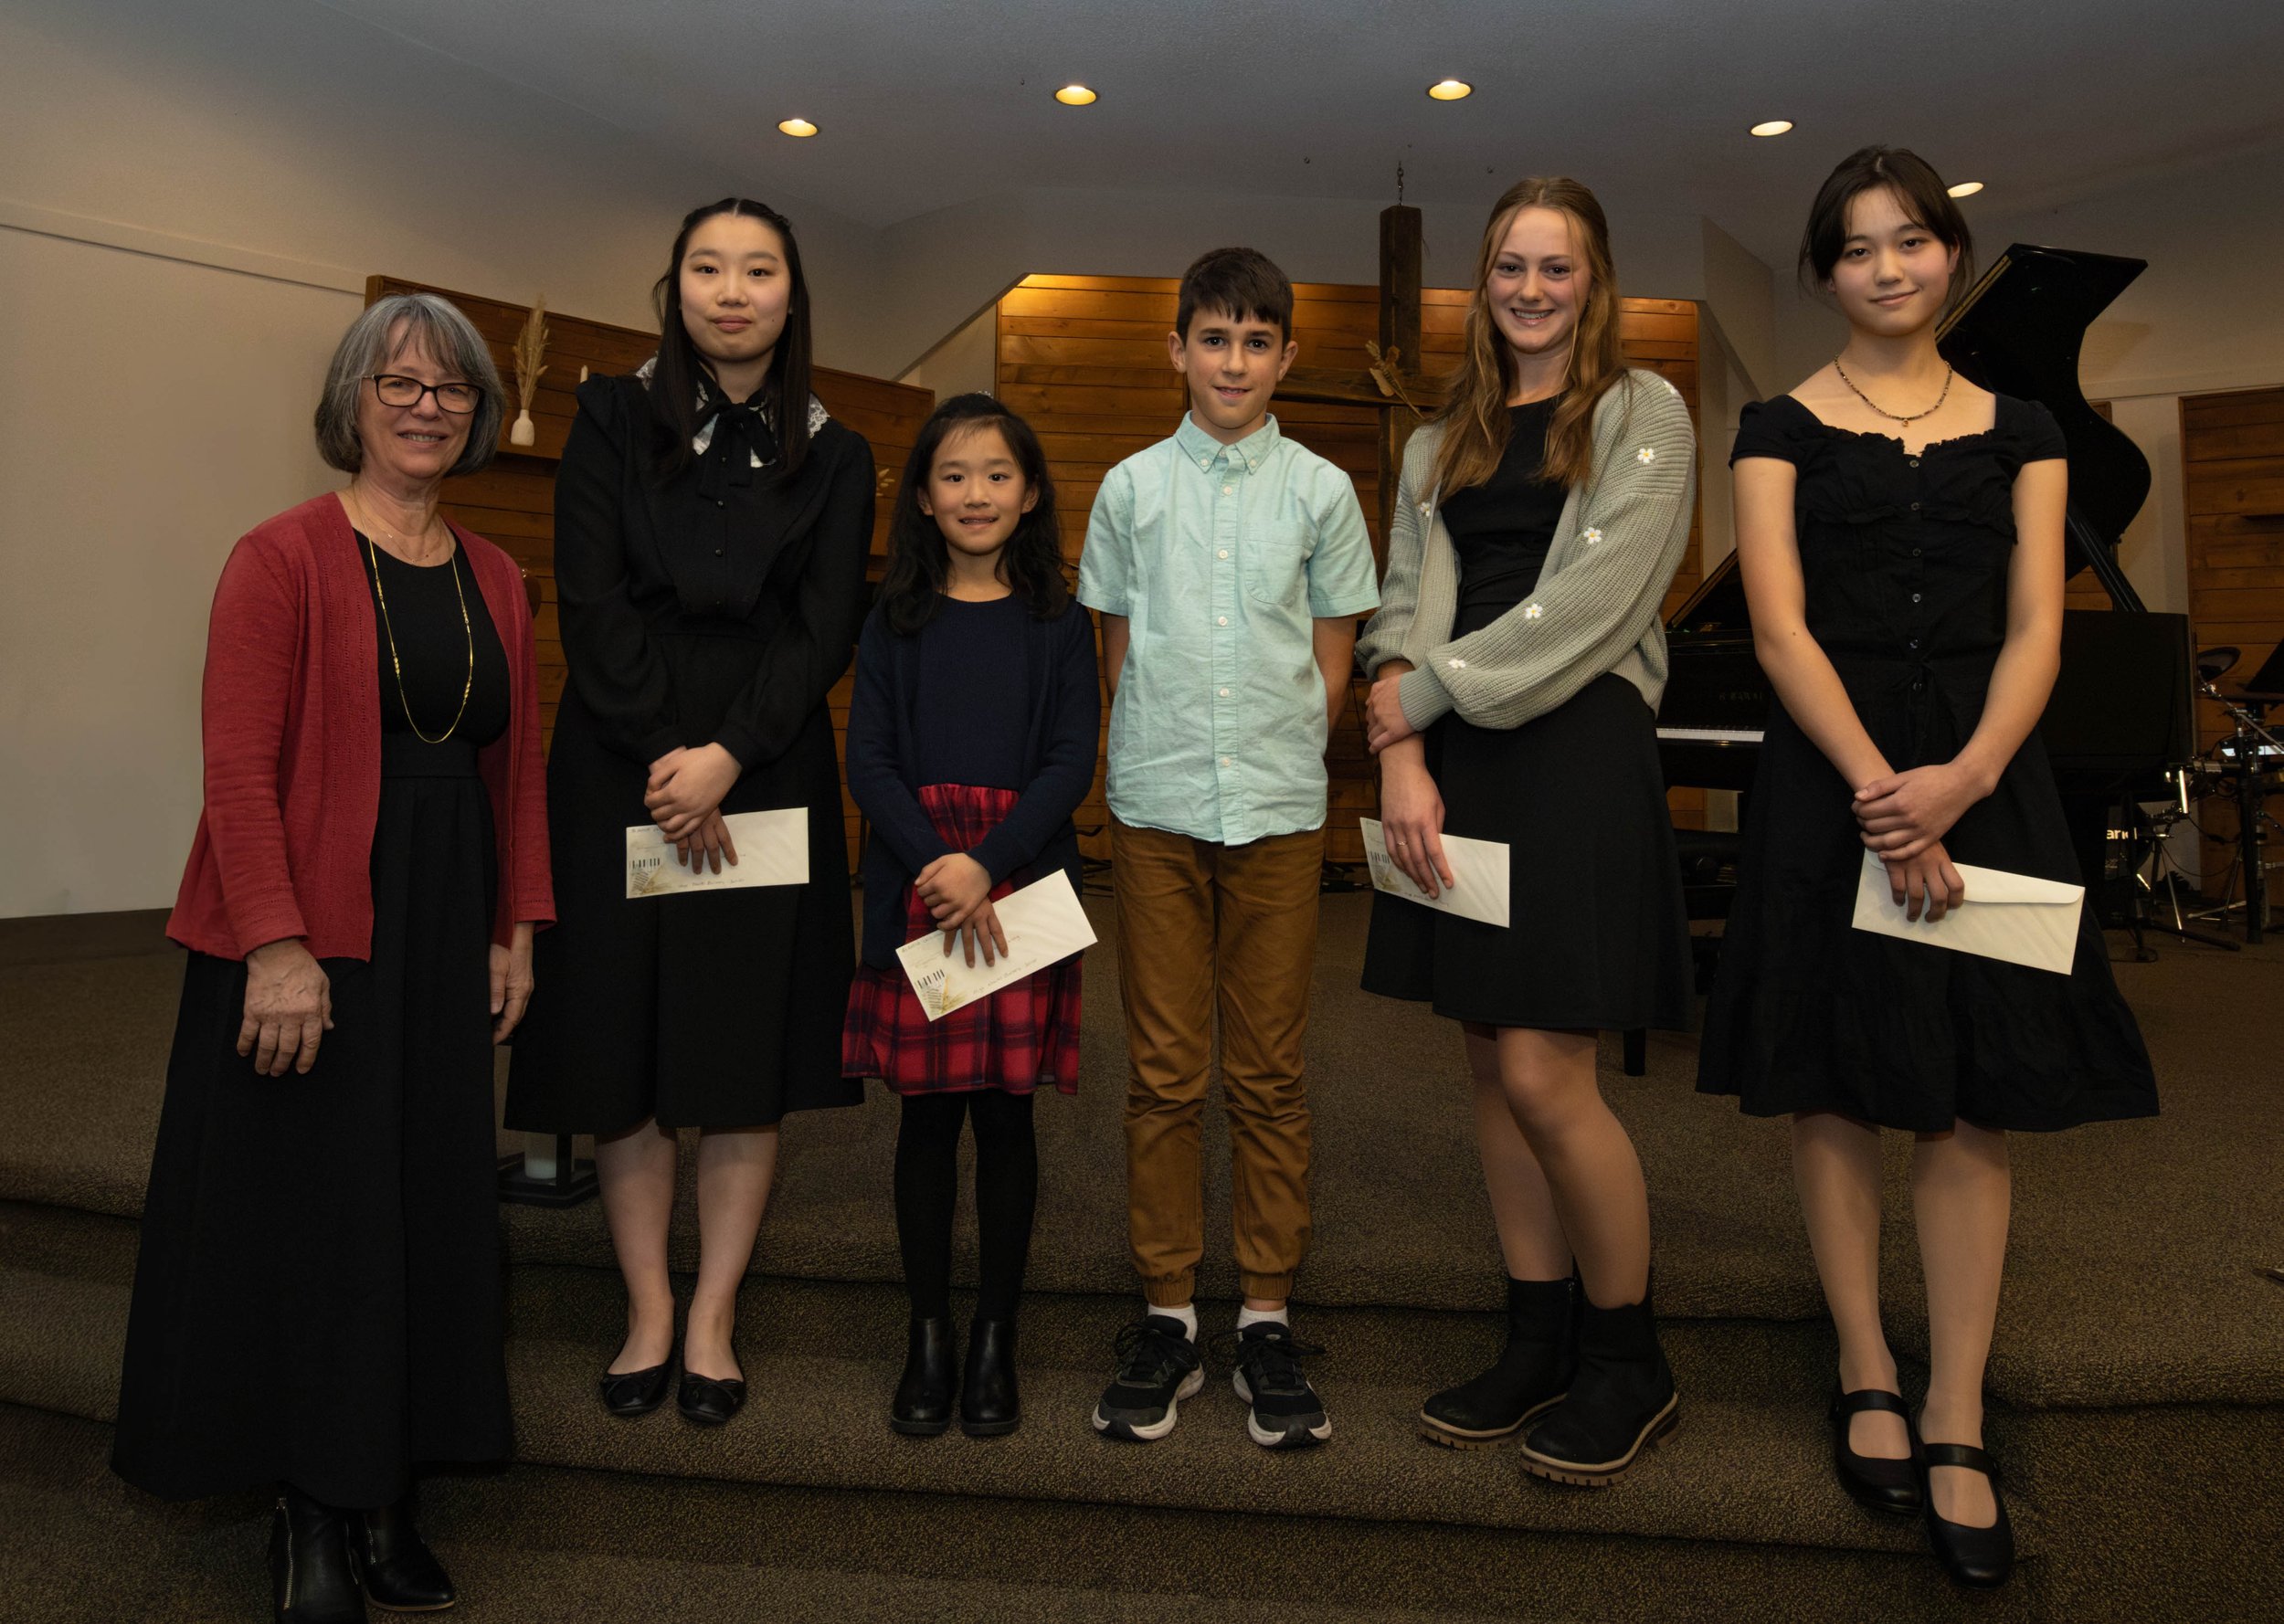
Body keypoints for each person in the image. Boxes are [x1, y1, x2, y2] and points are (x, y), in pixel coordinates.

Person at [1696, 147, 2159, 1587]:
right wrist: (1879, 792)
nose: (1888, 268)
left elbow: (2040, 628)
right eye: (1857, 247)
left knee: (1973, 1094)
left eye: (1913, 241)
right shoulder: (1774, 427)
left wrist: (1957, 782)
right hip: (1830, 779)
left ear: (1949, 255)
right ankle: (1864, 1361)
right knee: (1833, 1079)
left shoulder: (2028, 429)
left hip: (1987, 777)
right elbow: (1778, 630)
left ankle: (1955, 1402)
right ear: (1826, 272)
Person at [112, 292, 553, 1623]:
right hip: (311, 929)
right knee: (312, 1221)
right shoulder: (279, 555)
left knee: (417, 1208)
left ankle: (389, 1487)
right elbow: (237, 769)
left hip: (442, 922)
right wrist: (280, 946)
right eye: (399, 383)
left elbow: (515, 770)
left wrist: (514, 927)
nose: (428, 406)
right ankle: (309, 1503)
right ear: (352, 400)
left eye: (452, 390)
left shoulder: (496, 578)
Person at [503, 197, 874, 1429]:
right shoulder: (610, 411)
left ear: (791, 290)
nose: (732, 290)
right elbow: (592, 594)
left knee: (738, 1046)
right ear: (675, 285)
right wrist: (669, 751)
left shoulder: (838, 449)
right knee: (623, 1037)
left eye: (758, 269)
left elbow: (823, 628)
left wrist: (726, 755)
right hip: (621, 756)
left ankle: (712, 1310)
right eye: (708, 268)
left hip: (763, 767)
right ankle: (646, 1306)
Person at [1357, 178, 1697, 1488]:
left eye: (1558, 267)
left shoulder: (1644, 409)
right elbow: (1398, 603)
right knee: (1491, 1063)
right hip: (1453, 761)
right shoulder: (1437, 438)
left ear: (1593, 279)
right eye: (1511, 266)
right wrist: (1399, 750)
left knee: (1554, 1071)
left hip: (1571, 747)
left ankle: (1629, 1355)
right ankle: (1536, 1333)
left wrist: (1425, 696)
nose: (1534, 288)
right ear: (1483, 282)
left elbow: (1602, 600)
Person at [1076, 247, 1380, 1449]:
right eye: (1214, 338)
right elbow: (1114, 650)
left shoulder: (1319, 491)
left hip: (1277, 808)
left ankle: (1262, 1312)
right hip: (1153, 806)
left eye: (1258, 341)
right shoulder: (1129, 487)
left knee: (1267, 1069)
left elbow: (1335, 649)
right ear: (1178, 350)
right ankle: (1165, 1309)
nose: (1235, 361)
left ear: (1286, 356)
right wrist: (1147, 751)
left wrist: (1288, 740)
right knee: (1161, 1068)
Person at [841, 394, 1100, 1439]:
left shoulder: (1059, 622)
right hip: (916, 880)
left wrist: (986, 863)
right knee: (924, 1117)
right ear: (924, 497)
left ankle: (995, 1330)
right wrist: (938, 865)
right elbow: (869, 758)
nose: (976, 492)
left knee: (1004, 1113)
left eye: (997, 473)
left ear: (1029, 491)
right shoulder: (893, 617)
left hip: (1021, 883)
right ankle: (928, 1331)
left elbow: (1068, 762)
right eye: (953, 474)